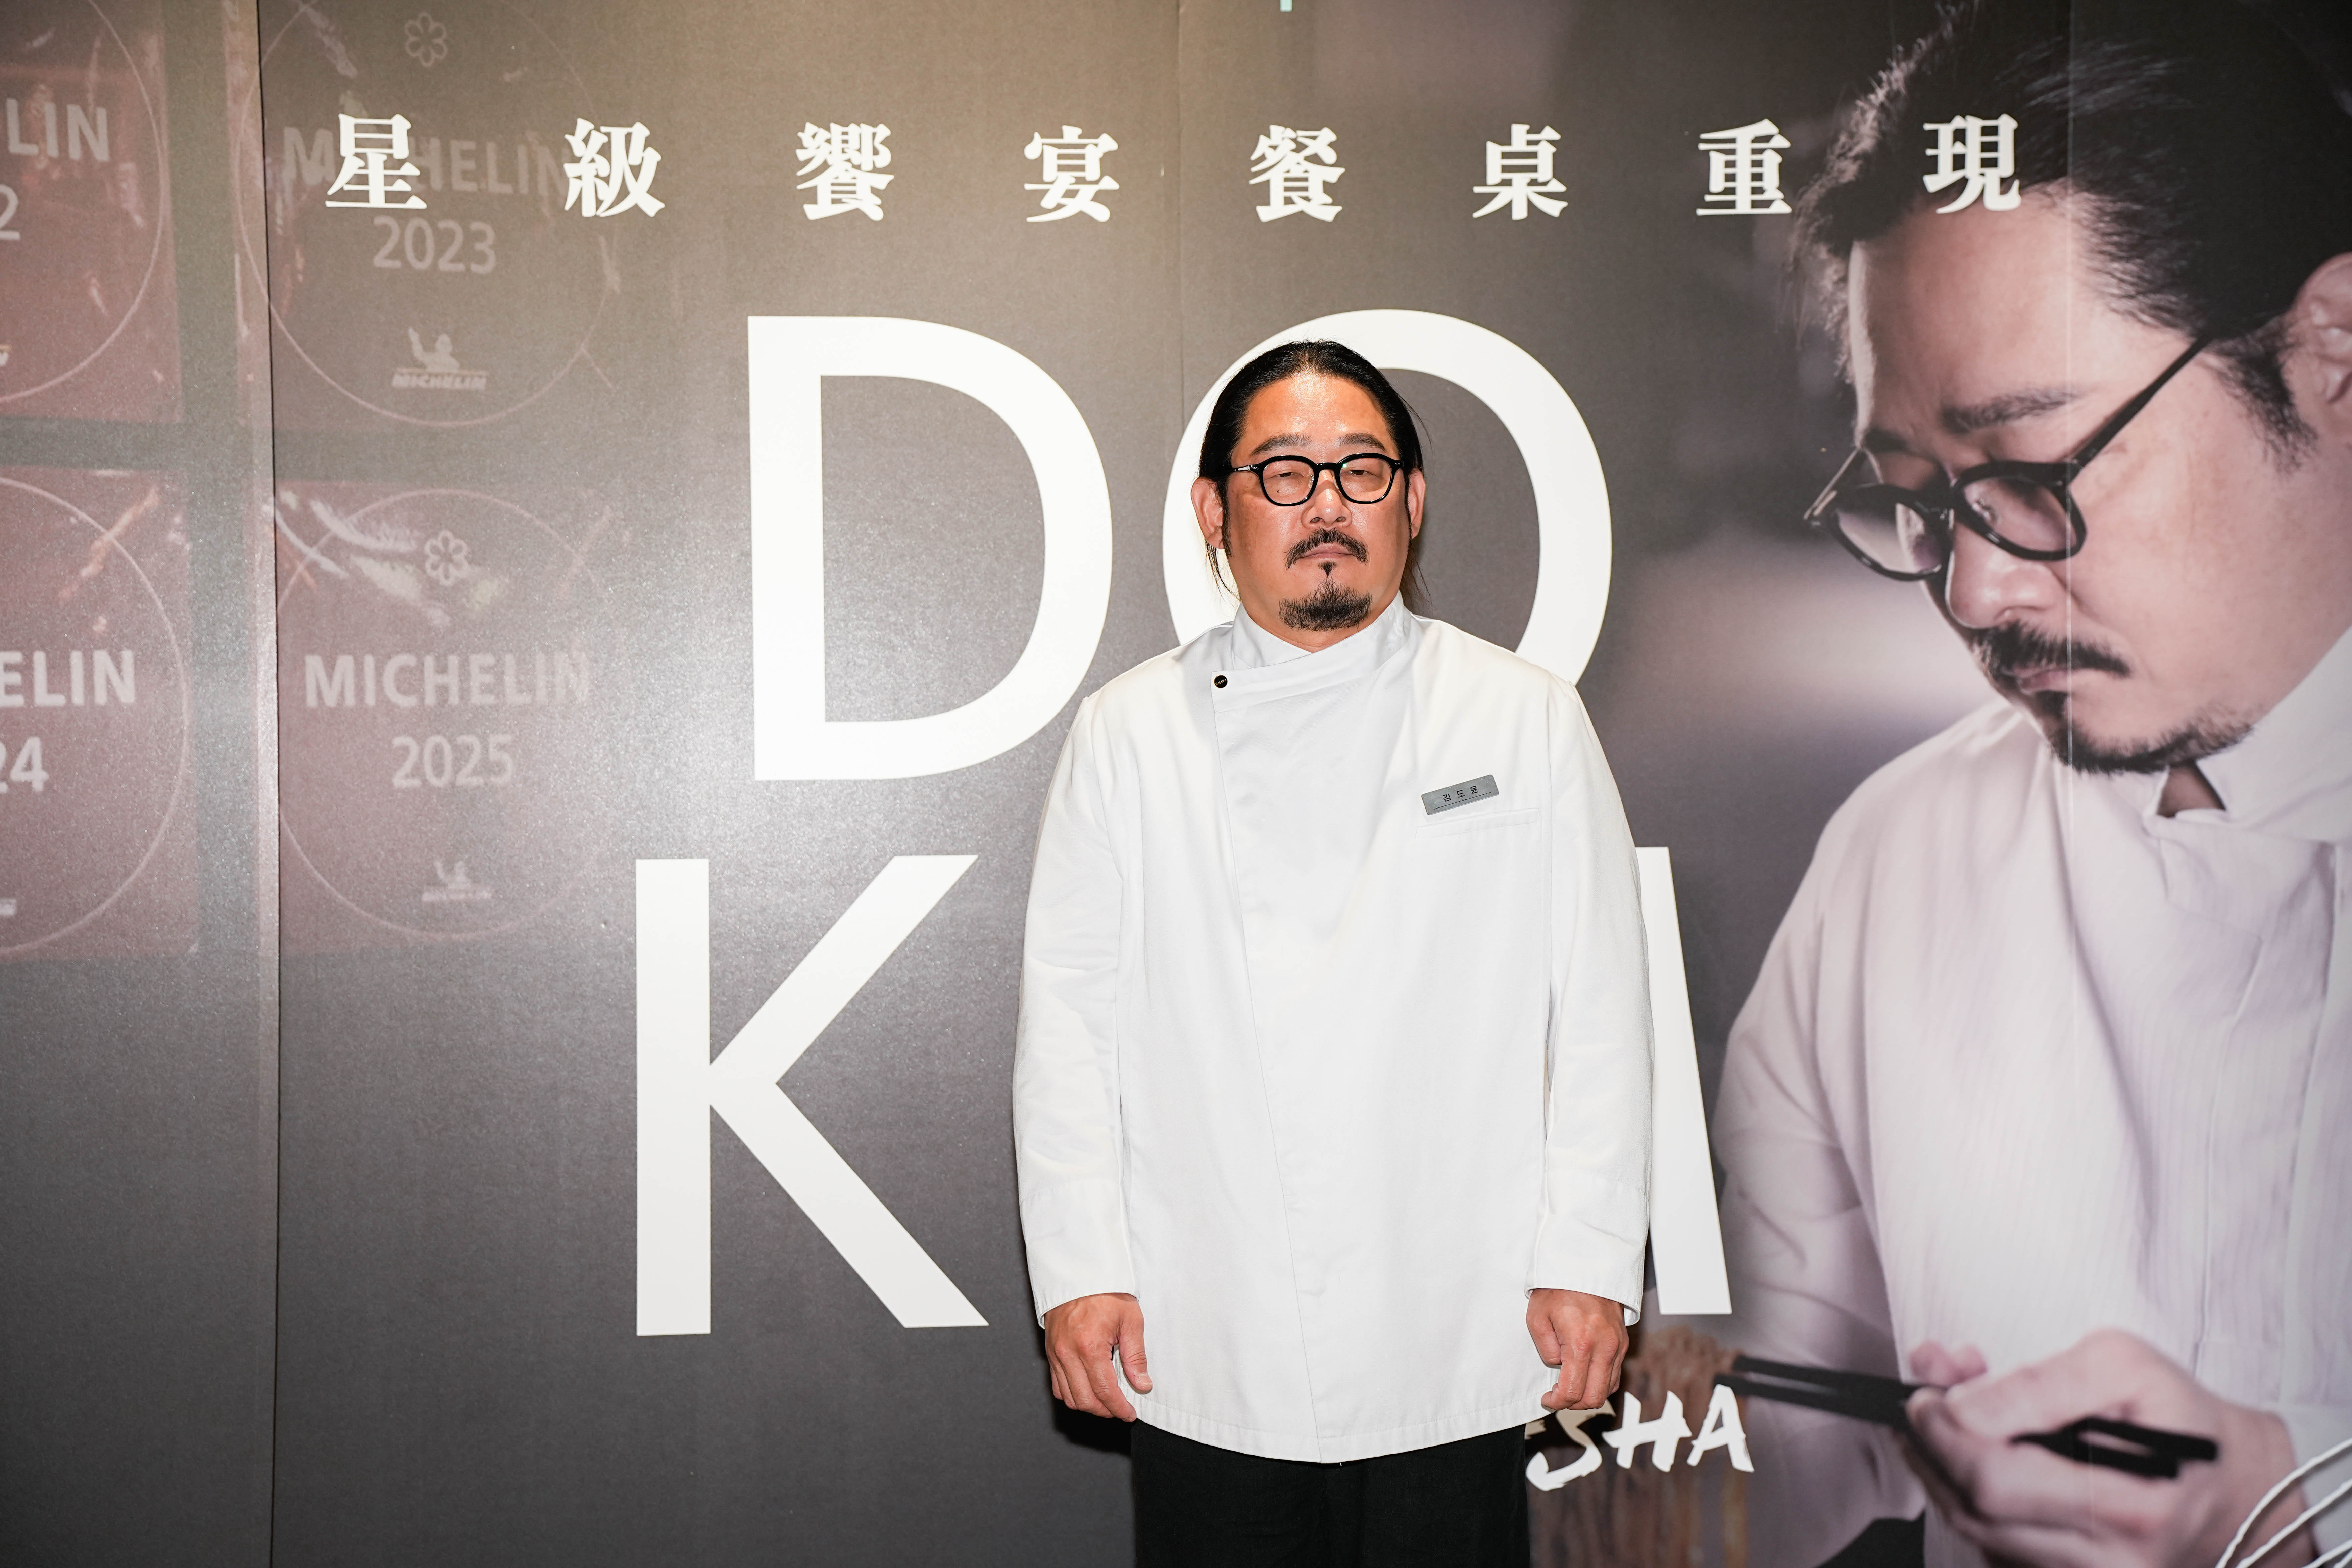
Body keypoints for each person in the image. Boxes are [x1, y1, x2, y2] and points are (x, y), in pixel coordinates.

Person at [1712, 2, 2352, 1566]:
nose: (1976, 592)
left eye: (2036, 471)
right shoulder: (1907, 853)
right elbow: (1775, 1415)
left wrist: (2291, 1514)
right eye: (1922, 502)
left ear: (2331, 354)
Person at [1012, 340, 1654, 1566]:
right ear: (1215, 512)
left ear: (1412, 502)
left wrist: (1589, 1261)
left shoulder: (1524, 717)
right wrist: (1081, 1269)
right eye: (1285, 473)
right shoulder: (1128, 735)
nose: (1327, 506)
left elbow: (1603, 1019)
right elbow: (1070, 1035)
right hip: (1213, 1325)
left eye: (1362, 472)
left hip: (1457, 1319)